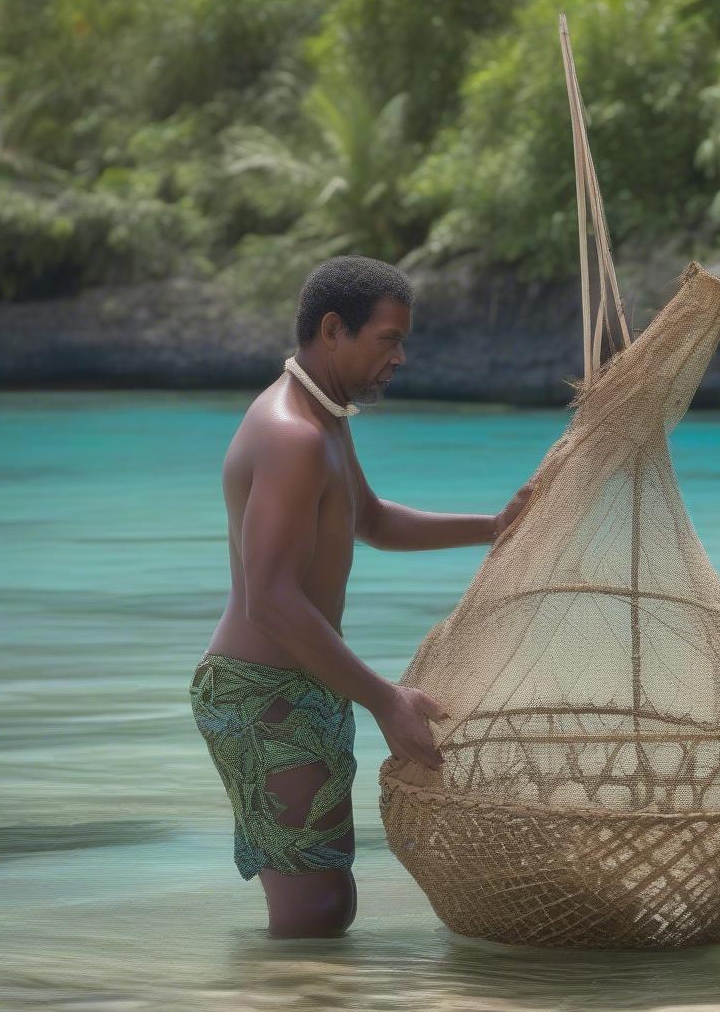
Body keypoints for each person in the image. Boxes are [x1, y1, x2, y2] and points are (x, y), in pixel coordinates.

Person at [188, 254, 535, 939]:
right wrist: (385, 699)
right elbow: (272, 601)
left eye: (402, 341)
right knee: (316, 910)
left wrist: (492, 530)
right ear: (331, 331)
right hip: (262, 696)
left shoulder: (325, 419)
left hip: (303, 684)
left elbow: (369, 519)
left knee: (326, 903)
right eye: (388, 339)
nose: (401, 358)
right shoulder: (293, 437)